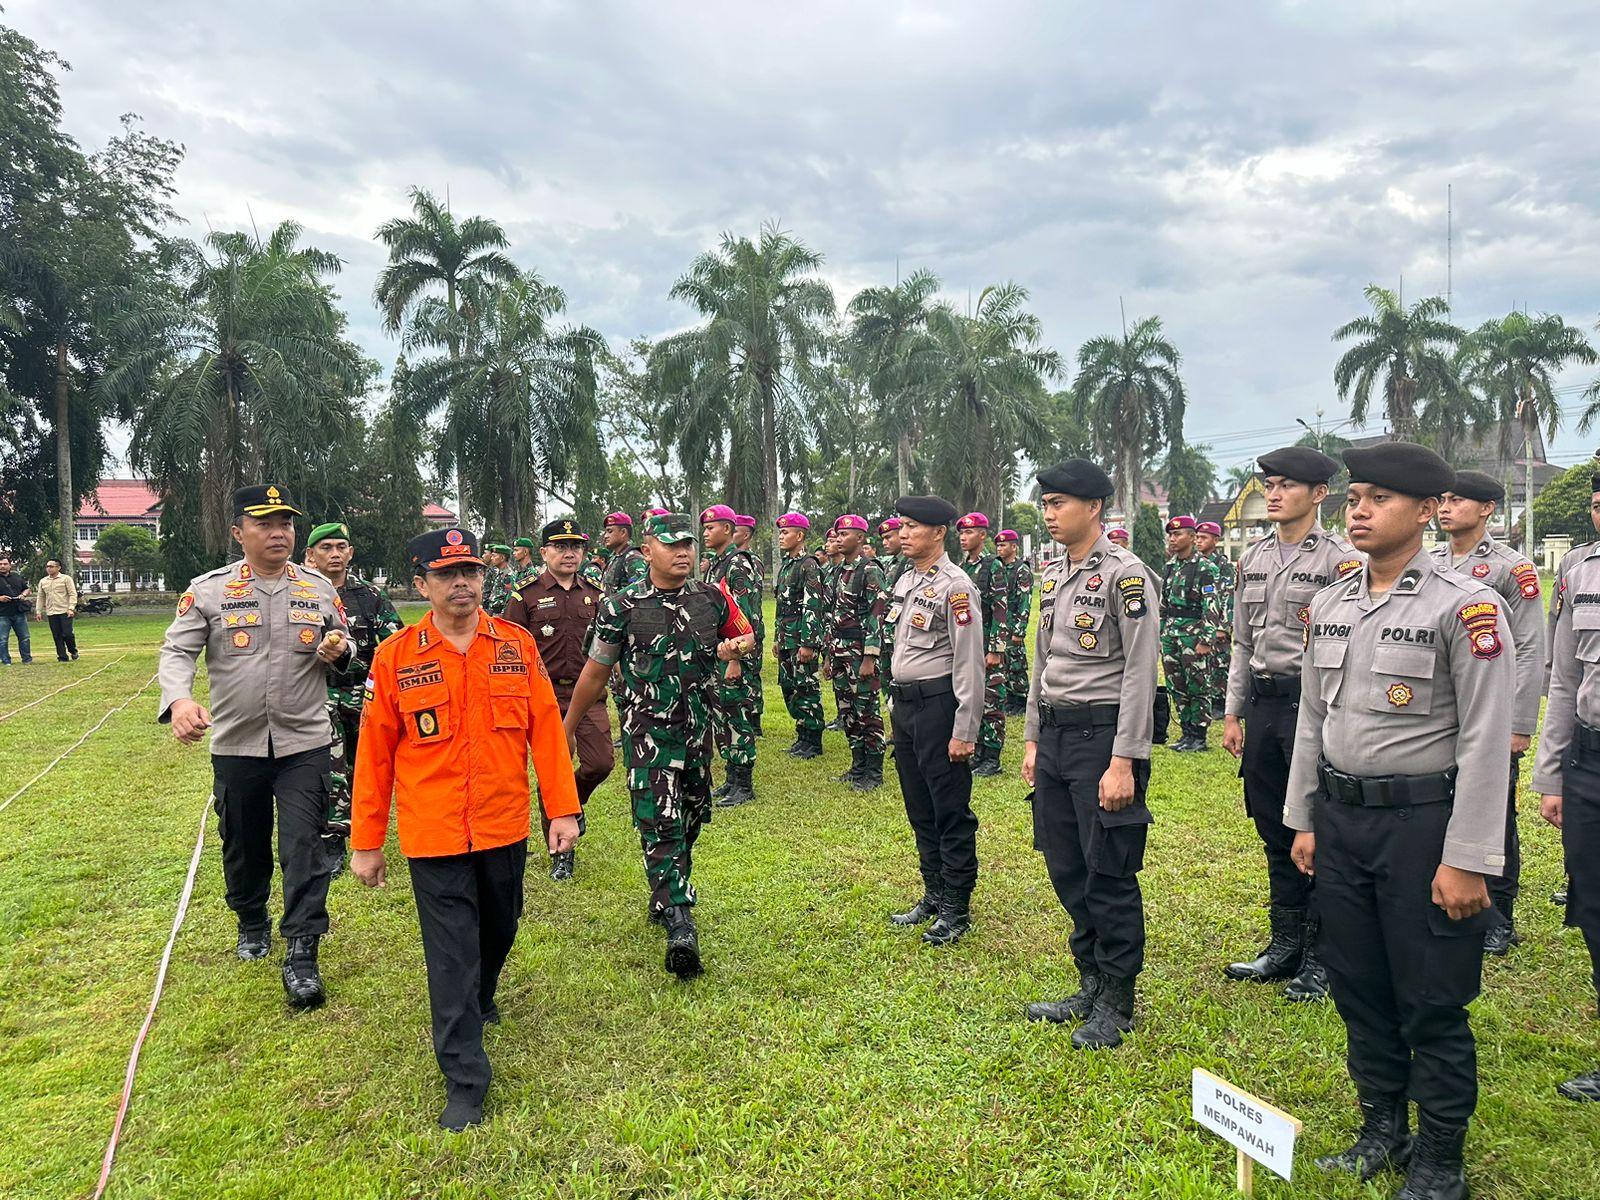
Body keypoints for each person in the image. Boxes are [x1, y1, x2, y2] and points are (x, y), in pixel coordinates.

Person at [1287, 443, 1512, 1199]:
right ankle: (1382, 1127)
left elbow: (1486, 738)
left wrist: (1470, 856)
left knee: (1431, 997)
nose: (1358, 510)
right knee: (1358, 983)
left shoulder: (1466, 605)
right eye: (1355, 497)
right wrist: (1305, 820)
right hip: (1343, 822)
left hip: (1423, 826)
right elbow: (1314, 721)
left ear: (1425, 511)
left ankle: (1441, 1159)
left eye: (1378, 498)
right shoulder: (1332, 603)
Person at [351, 527, 581, 1132]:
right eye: (447, 573)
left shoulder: (516, 645)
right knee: (450, 954)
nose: (462, 583)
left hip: (503, 824)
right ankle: (464, 1075)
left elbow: (547, 733)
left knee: (501, 927)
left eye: (471, 572)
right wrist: (367, 842)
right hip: (434, 834)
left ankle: (484, 994)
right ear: (421, 583)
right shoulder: (395, 657)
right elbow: (372, 756)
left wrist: (562, 808)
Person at [157, 485, 354, 1007]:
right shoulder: (209, 591)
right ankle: (250, 918)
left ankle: (302, 952)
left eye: (285, 523)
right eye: (265, 524)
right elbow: (177, 650)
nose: (278, 533)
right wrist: (179, 702)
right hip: (238, 743)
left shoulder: (315, 587)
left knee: (303, 847)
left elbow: (345, 643)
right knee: (243, 844)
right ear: (238, 532)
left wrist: (339, 649)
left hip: (304, 740)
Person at [561, 513, 753, 977]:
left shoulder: (713, 597)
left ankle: (666, 888)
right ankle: (680, 923)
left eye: (688, 543)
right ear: (647, 552)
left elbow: (747, 635)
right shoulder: (621, 606)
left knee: (689, 820)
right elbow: (596, 670)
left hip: (697, 731)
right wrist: (566, 728)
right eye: (671, 545)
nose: (684, 551)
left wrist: (735, 651)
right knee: (659, 821)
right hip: (647, 733)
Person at [1021, 460, 1160, 1049]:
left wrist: (1125, 760)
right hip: (1054, 738)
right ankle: (1091, 979)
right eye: (1045, 504)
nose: (1049, 514)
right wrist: (1030, 738)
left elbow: (1139, 672)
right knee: (1065, 863)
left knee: (1108, 870)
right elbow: (1043, 663)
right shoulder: (1055, 576)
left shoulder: (1127, 576)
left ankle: (1119, 1000)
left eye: (1059, 503)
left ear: (1095, 507)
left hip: (1100, 740)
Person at [1220, 447, 1359, 1002]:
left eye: (1285, 486)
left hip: (1315, 706)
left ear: (1319, 494)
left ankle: (1323, 958)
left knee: (1317, 827)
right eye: (1269, 485)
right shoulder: (1253, 557)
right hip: (1264, 704)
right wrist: (1232, 710)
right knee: (1273, 825)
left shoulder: (1339, 560)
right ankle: (1285, 944)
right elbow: (1242, 640)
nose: (1273, 494)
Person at [1433, 471, 1546, 957]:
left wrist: (1517, 723)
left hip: (1491, 711)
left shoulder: (1509, 568)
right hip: (1441, 712)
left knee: (1496, 811)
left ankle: (1499, 915)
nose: (1445, 508)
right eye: (1443, 500)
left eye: (1458, 500)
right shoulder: (1430, 562)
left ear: (1487, 510)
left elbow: (1527, 647)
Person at [885, 496, 986, 946]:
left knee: (949, 809)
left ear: (938, 532)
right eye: (901, 526)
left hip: (939, 705)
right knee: (919, 806)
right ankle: (933, 892)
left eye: (912, 526)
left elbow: (969, 663)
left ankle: (956, 908)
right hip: (906, 707)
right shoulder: (906, 580)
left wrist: (965, 729)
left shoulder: (956, 586)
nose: (903, 533)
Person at [1533, 472, 1600, 1104]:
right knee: (1595, 909)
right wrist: (1551, 771)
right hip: (1590, 763)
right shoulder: (1580, 573)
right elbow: (1563, 678)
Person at [502, 517, 614, 880]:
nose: (570, 553)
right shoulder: (525, 595)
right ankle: (560, 850)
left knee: (600, 764)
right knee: (554, 771)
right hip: (544, 696)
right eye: (561, 547)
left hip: (589, 693)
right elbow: (510, 650)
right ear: (545, 551)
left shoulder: (596, 593)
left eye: (576, 547)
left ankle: (573, 805)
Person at [305, 521, 406, 875]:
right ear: (310, 555)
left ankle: (362, 831)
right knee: (328, 769)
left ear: (350, 553)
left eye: (340, 547)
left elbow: (393, 644)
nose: (334, 554)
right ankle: (332, 838)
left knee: (363, 768)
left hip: (362, 694)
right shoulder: (300, 593)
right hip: (316, 695)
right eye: (326, 548)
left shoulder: (369, 596)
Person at [699, 504, 762, 806]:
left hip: (734, 655)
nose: (706, 533)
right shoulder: (717, 564)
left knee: (737, 715)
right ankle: (731, 779)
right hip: (718, 655)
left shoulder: (738, 565)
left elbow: (745, 618)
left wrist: (736, 658)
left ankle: (744, 785)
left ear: (727, 528)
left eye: (711, 527)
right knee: (723, 717)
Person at [827, 515, 889, 791]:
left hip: (859, 652)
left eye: (845, 534)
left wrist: (870, 657)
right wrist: (829, 655)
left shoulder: (870, 570)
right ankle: (858, 765)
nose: (839, 539)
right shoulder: (839, 571)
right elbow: (832, 615)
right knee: (847, 710)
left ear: (860, 539)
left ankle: (874, 772)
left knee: (867, 710)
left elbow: (877, 615)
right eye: (837, 534)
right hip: (839, 650)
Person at [1160, 515, 1226, 751]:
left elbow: (1212, 605)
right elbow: (1163, 605)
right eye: (1171, 535)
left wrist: (1206, 640)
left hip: (1194, 635)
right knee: (1176, 685)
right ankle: (1187, 732)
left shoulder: (1206, 568)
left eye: (1178, 534)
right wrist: (1161, 635)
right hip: (1171, 635)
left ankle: (1199, 735)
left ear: (1191, 536)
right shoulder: (1170, 567)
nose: (1173, 539)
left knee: (1198, 685)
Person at [957, 513, 1011, 776]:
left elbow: (1000, 608)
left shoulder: (993, 566)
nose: (964, 538)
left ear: (983, 535)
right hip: (968, 643)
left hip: (987, 642)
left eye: (970, 533)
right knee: (974, 698)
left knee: (991, 700)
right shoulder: (963, 567)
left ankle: (992, 757)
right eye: (962, 534)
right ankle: (978, 751)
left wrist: (996, 648)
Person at [774, 512, 825, 759]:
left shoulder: (809, 565)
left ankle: (813, 740)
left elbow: (813, 605)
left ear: (800, 535)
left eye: (785, 532)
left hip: (801, 638)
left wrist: (808, 643)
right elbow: (781, 604)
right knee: (789, 686)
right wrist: (777, 638)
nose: (781, 537)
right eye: (780, 532)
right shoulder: (787, 564)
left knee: (806, 686)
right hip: (786, 637)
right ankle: (802, 734)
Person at [732, 513, 766, 736]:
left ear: (745, 534)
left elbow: (744, 602)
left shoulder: (744, 562)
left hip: (747, 628)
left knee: (749, 675)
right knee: (748, 675)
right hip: (749, 628)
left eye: (734, 530)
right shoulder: (739, 560)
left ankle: (753, 722)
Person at [1195, 520, 1233, 720]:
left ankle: (1221, 702)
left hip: (1218, 622)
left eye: (1204, 538)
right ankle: (1208, 698)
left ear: (1215, 540)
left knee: (1220, 663)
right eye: (1197, 537)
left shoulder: (1223, 566)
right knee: (1203, 663)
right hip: (1200, 623)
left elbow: (1228, 596)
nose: (1199, 541)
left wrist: (1223, 627)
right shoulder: (1196, 565)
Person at [996, 529, 1033, 716]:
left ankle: (1022, 699)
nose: (1000, 548)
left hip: (1014, 623)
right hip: (1001, 624)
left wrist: (1019, 630)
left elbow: (1024, 600)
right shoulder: (999, 568)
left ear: (1014, 547)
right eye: (998, 545)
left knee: (1017, 663)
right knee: (1004, 662)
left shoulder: (1021, 570)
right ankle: (1010, 699)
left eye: (1003, 545)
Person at [877, 518, 911, 692]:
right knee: (886, 683)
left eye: (889, 537)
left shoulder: (911, 562)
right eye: (883, 538)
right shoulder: (889, 563)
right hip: (885, 631)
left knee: (902, 684)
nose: (885, 542)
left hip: (900, 633)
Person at [820, 528, 846, 731]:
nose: (829, 544)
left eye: (832, 540)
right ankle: (841, 716)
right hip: (829, 628)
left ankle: (845, 717)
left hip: (846, 632)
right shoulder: (829, 570)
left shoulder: (849, 570)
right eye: (829, 540)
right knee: (836, 676)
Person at [36, 559, 79, 662]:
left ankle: (73, 650)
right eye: (47, 566)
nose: (49, 568)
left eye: (51, 566)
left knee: (67, 634)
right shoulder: (43, 581)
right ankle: (62, 657)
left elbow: (72, 594)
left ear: (58, 568)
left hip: (65, 611)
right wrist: (38, 611)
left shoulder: (66, 579)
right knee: (57, 635)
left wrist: (71, 608)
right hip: (51, 612)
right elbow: (41, 597)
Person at [600, 513, 648, 596]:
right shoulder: (614, 557)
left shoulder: (633, 558)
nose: (605, 536)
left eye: (610, 531)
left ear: (623, 532)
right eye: (606, 532)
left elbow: (641, 592)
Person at [0, 554, 33, 665]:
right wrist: (0, 598)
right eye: (0, 564)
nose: (2, 566)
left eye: (5, 564)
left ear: (10, 565)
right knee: (3, 639)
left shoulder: (16, 576)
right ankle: (6, 660)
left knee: (25, 637)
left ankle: (27, 659)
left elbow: (27, 589)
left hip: (18, 612)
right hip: (2, 614)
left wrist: (23, 594)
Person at [481, 545, 515, 616]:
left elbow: (510, 600)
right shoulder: (499, 573)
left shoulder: (508, 576)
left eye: (494, 556)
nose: (491, 558)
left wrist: (502, 616)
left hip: (500, 616)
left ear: (502, 558)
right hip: (492, 613)